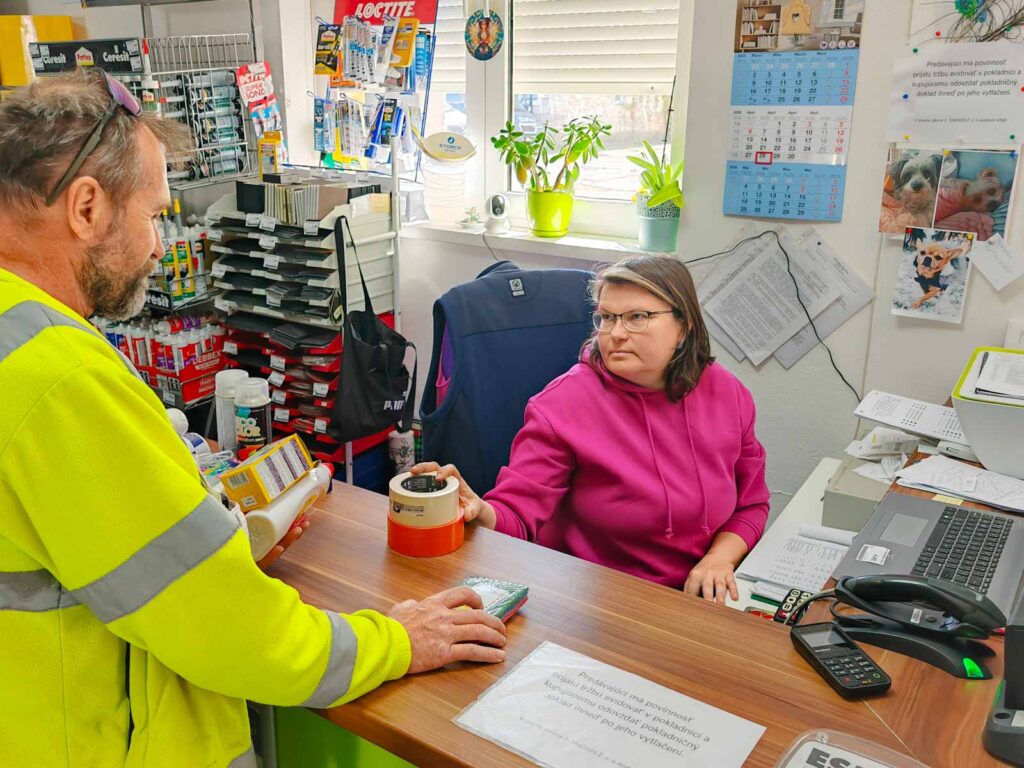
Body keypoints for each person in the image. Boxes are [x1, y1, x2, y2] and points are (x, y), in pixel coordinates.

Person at [0, 69, 505, 767]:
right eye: (153, 214)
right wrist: (396, 640)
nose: (158, 246)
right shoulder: (55, 376)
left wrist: (199, 536)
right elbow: (229, 629)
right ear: (86, 207)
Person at [414, 255, 770, 603]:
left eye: (637, 317)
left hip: (703, 596)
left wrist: (719, 559)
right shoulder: (562, 405)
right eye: (607, 318)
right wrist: (478, 509)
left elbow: (752, 504)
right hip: (599, 602)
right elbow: (518, 517)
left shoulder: (727, 393)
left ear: (683, 326)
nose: (616, 333)